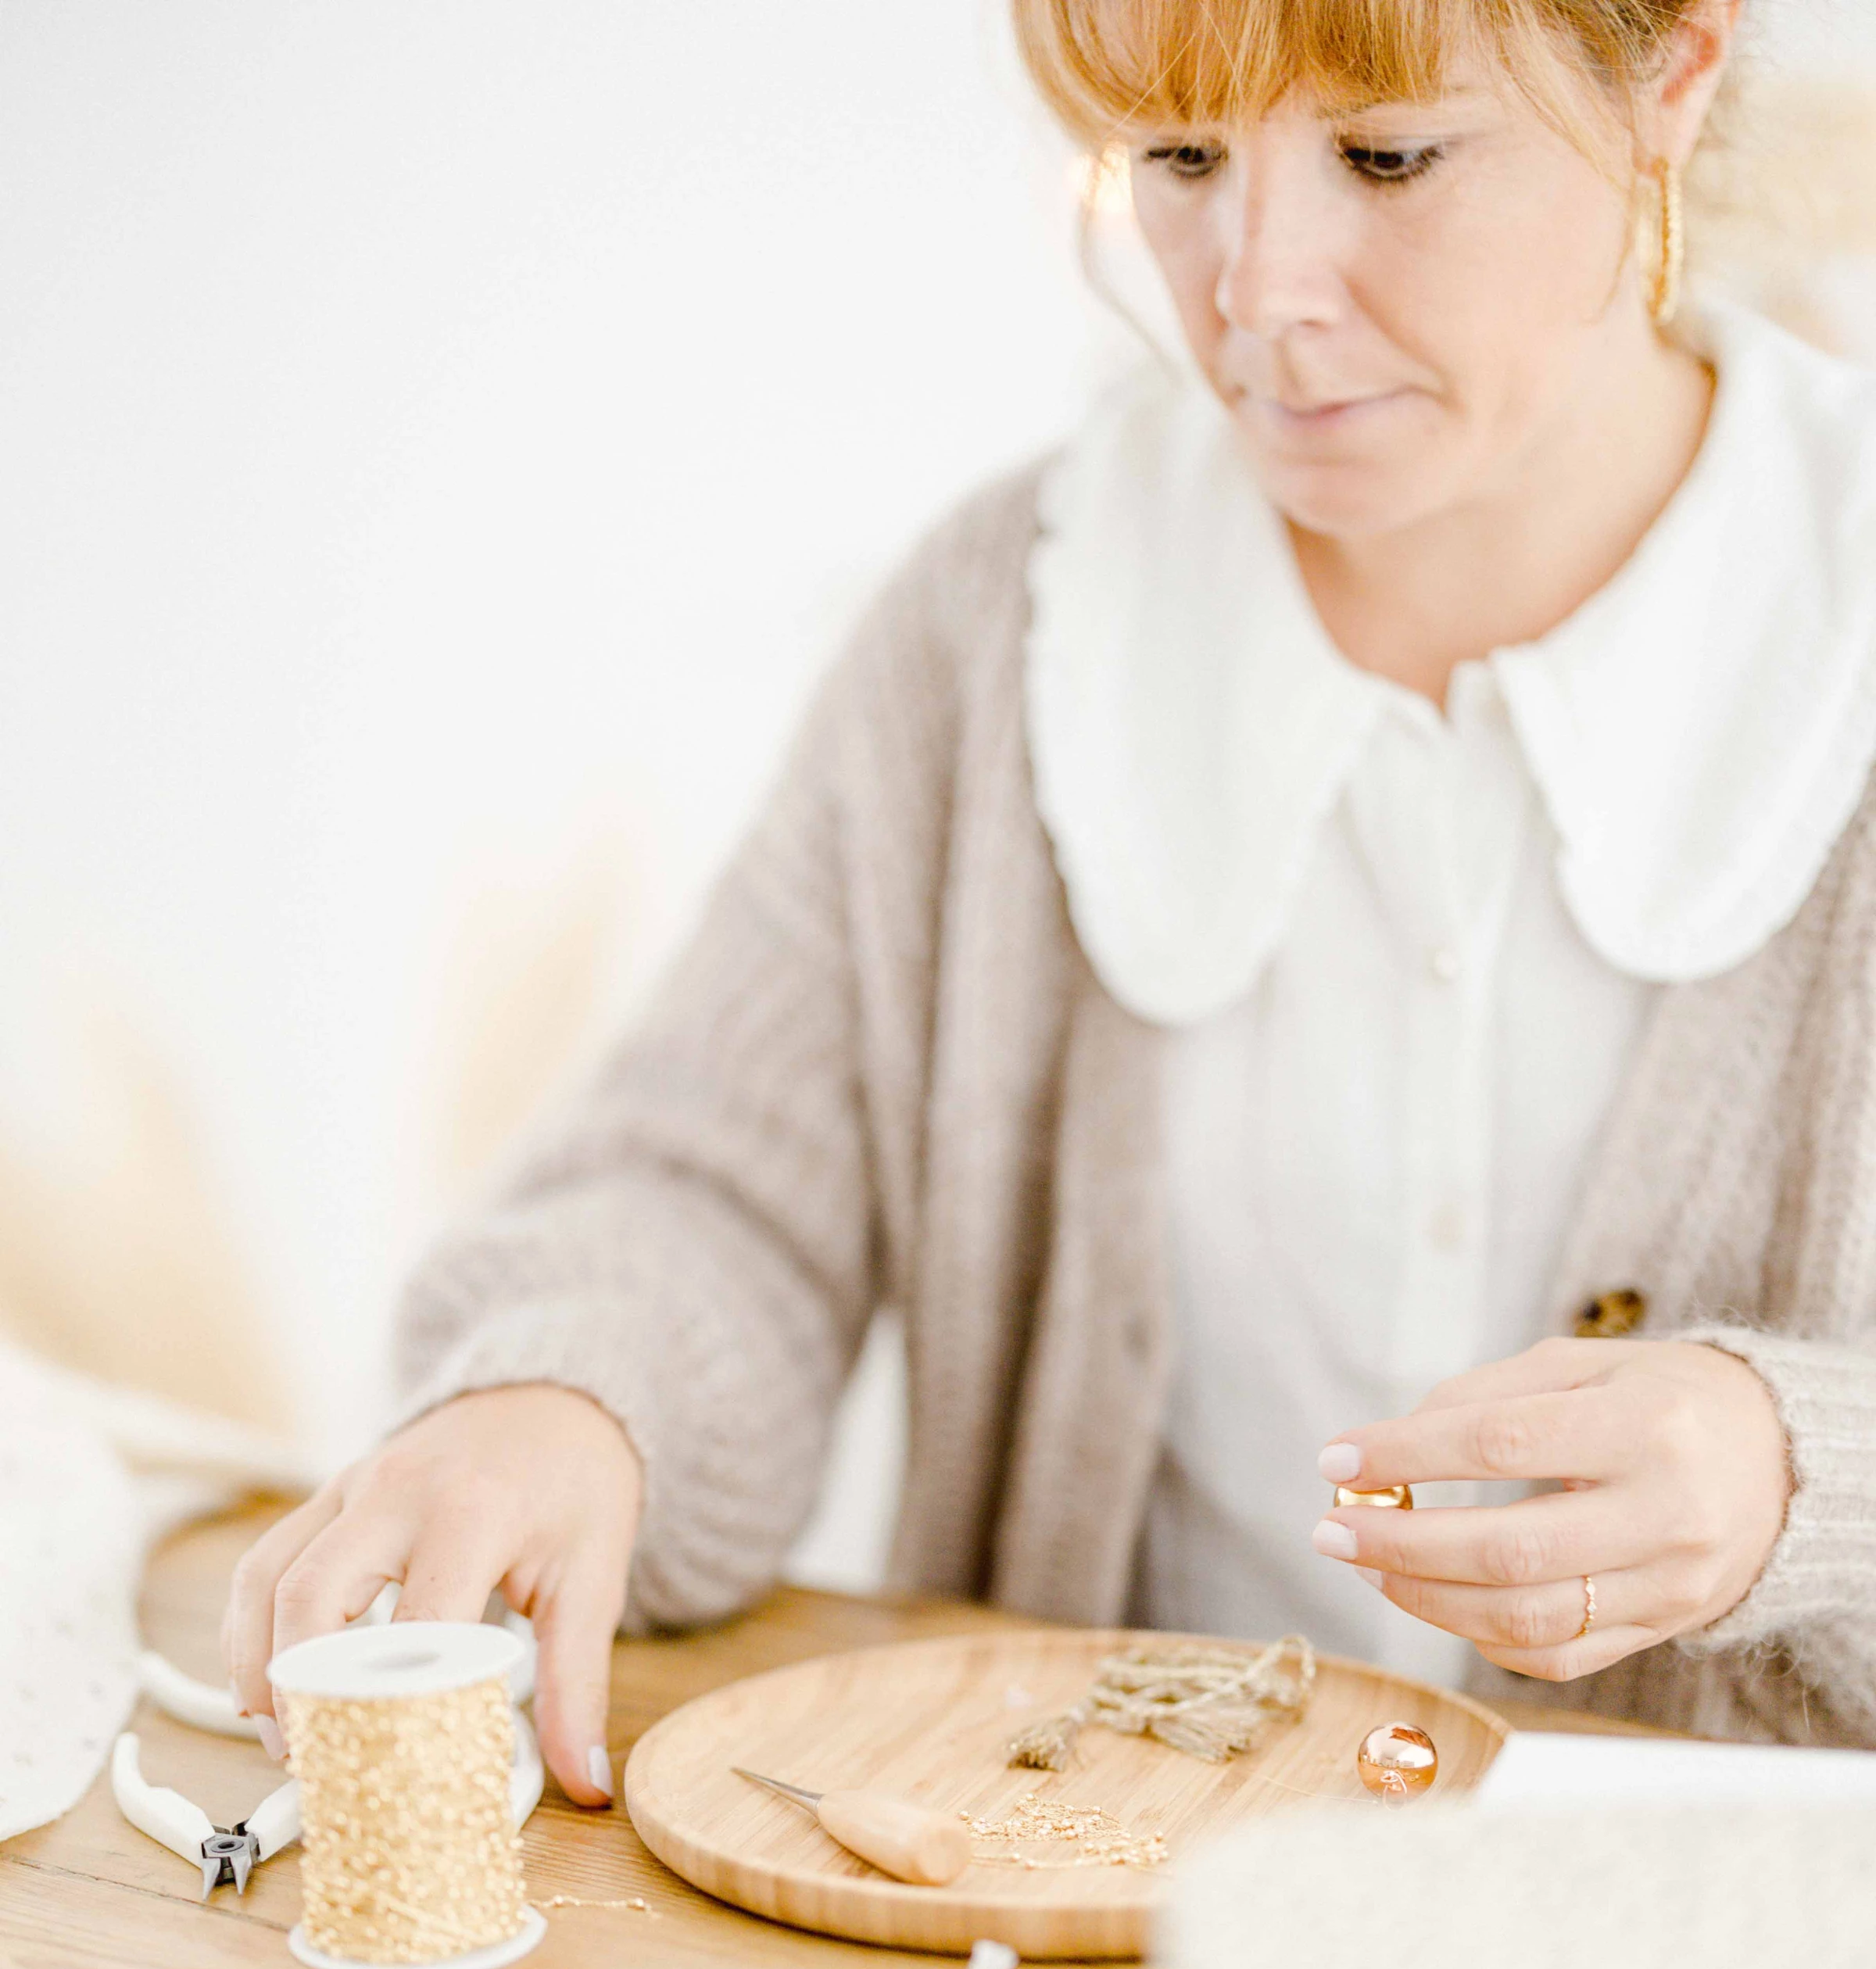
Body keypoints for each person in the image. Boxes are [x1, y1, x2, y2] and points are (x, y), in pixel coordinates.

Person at [227, 0, 1876, 1801]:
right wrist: (562, 1400)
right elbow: (712, 1193)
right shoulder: (1010, 623)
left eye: (1387, 156)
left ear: (1672, 76)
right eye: (1179, 161)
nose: (1257, 292)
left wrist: (1807, 1478)